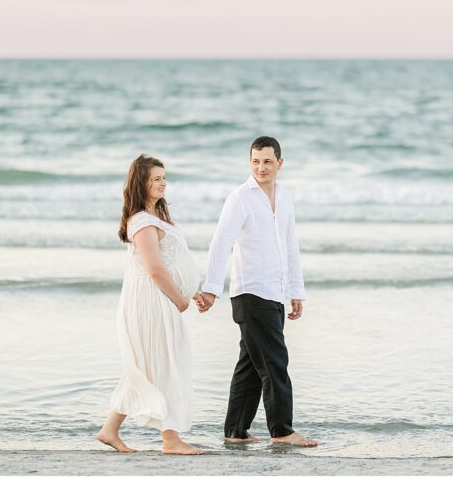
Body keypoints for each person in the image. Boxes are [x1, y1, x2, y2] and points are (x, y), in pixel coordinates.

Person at [195, 136, 318, 447]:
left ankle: (235, 432)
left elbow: (290, 247)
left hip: (275, 294)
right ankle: (282, 431)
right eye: (255, 161)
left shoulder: (285, 198)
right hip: (251, 293)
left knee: (250, 366)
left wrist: (295, 290)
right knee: (276, 361)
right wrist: (211, 288)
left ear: (280, 162)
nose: (261, 167)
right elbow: (221, 242)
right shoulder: (240, 198)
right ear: (250, 163)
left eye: (267, 161)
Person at [96, 154, 205, 455]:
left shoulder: (156, 217)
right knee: (166, 362)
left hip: (161, 299)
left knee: (150, 364)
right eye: (156, 178)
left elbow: (172, 261)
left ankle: (109, 430)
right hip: (151, 302)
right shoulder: (142, 222)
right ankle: (170, 440)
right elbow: (155, 269)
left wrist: (190, 289)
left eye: (163, 177)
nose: (162, 183)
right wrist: (180, 298)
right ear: (140, 183)